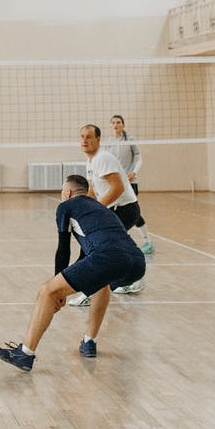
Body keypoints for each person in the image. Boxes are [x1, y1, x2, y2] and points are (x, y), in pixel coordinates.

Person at [0, 174, 145, 371]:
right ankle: (89, 341)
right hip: (137, 263)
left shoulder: (66, 207)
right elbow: (87, 257)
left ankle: (25, 353)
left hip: (109, 257)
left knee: (47, 290)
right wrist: (64, 286)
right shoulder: (102, 209)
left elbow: (63, 250)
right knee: (101, 282)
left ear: (68, 192)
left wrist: (58, 291)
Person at [68, 124, 145, 306]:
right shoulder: (91, 161)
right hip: (115, 209)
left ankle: (90, 291)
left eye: (89, 137)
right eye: (82, 136)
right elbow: (92, 189)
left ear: (98, 139)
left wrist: (97, 209)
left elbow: (118, 188)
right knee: (106, 248)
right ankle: (129, 281)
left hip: (124, 209)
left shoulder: (103, 158)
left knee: (95, 248)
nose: (84, 140)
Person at [106, 115, 154, 254]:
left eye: (118, 122)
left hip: (130, 182)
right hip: (115, 183)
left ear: (123, 125)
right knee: (114, 212)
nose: (116, 125)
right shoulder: (108, 142)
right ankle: (122, 241)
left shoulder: (130, 140)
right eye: (113, 122)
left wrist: (134, 172)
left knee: (133, 212)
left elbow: (139, 158)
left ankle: (147, 242)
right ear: (110, 125)